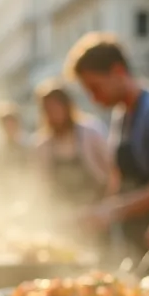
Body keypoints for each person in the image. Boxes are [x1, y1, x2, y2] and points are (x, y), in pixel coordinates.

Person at [66, 32, 149, 266]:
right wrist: (97, 212)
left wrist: (115, 210)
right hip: (134, 238)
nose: (93, 98)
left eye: (95, 88)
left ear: (118, 71)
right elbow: (119, 176)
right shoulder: (120, 115)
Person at [31, 79, 113, 208]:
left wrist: (107, 206)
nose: (53, 113)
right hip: (66, 210)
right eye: (48, 109)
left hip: (100, 205)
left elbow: (112, 171)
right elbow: (43, 184)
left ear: (67, 106)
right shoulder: (42, 145)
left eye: (56, 107)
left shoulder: (90, 131)